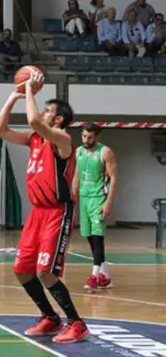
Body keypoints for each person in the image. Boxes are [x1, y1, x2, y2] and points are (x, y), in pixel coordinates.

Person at [0, 71, 89, 343]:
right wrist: (14, 97)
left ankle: (77, 323)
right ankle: (50, 317)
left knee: (44, 272)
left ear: (57, 120)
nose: (42, 112)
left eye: (48, 110)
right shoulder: (34, 138)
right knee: (22, 270)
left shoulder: (63, 140)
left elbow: (34, 119)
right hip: (37, 213)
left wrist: (29, 90)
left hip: (57, 211)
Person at [73, 123, 117, 291]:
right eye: (84, 136)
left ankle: (94, 277)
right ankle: (104, 276)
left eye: (90, 137)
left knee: (98, 238)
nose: (86, 140)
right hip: (84, 199)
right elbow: (77, 176)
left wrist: (109, 202)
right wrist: (72, 198)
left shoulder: (105, 152)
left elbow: (114, 177)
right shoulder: (78, 151)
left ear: (96, 136)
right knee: (90, 237)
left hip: (98, 198)